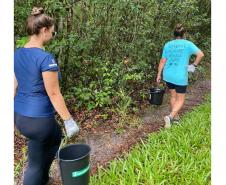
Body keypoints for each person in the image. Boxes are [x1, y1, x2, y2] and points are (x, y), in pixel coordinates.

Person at [14, 7, 79, 185]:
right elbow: (53, 93)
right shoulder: (45, 58)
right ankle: (37, 178)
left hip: (20, 116)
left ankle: (42, 178)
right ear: (44, 31)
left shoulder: (17, 54)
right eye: (53, 32)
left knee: (49, 140)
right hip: (39, 118)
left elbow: (13, 86)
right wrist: (68, 120)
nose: (52, 35)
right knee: (37, 161)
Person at [156, 24, 204, 128]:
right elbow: (201, 54)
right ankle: (170, 116)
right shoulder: (188, 44)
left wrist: (159, 74)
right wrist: (193, 65)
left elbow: (162, 60)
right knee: (181, 99)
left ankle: (176, 118)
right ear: (184, 34)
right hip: (180, 75)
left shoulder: (168, 44)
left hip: (168, 74)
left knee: (173, 96)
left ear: (174, 34)